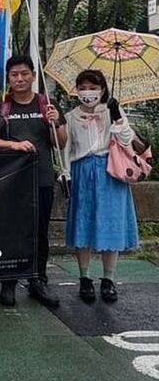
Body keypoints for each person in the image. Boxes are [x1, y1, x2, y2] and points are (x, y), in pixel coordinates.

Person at [0, 55, 67, 308]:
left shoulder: (46, 105)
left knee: (39, 232)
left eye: (24, 73)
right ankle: (8, 281)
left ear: (32, 75)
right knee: (11, 231)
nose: (19, 79)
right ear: (8, 78)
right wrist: (13, 144)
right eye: (14, 74)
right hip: (10, 181)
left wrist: (56, 123)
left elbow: (60, 143)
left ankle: (38, 279)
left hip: (40, 178)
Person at [65, 69, 139, 304]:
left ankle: (108, 279)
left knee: (111, 223)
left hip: (111, 172)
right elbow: (66, 148)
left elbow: (128, 140)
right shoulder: (70, 116)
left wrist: (117, 115)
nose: (88, 92)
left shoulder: (112, 112)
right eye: (83, 87)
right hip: (82, 171)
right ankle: (84, 278)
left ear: (103, 89)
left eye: (93, 87)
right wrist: (65, 172)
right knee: (82, 223)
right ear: (77, 90)